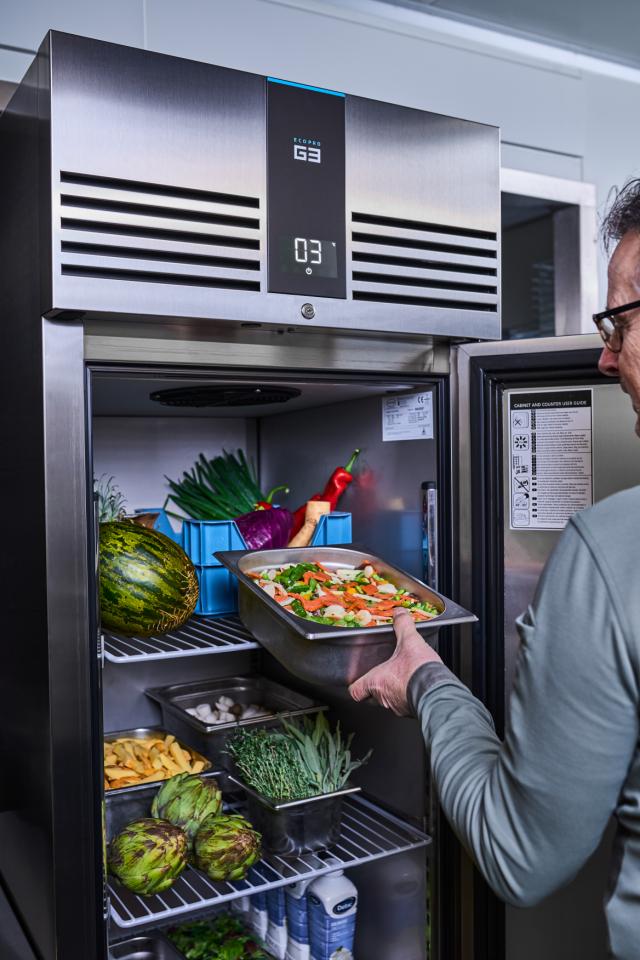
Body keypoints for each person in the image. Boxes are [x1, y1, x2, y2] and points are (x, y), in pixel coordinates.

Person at [349, 180, 640, 960]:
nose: (606, 358)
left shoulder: (613, 547)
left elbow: (520, 853)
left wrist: (426, 682)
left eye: (616, 321)